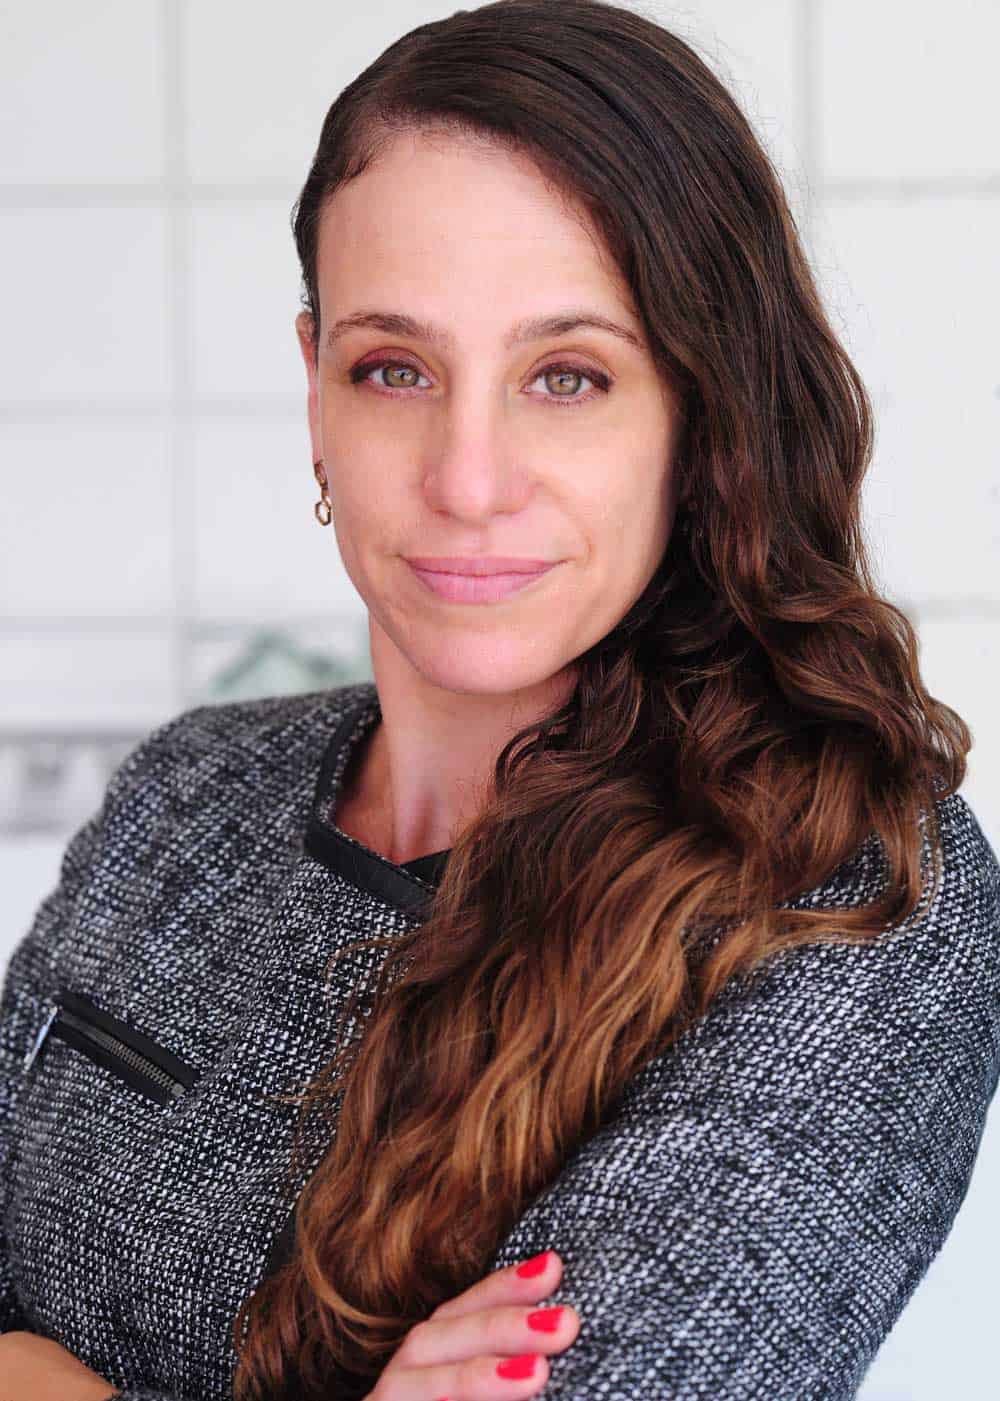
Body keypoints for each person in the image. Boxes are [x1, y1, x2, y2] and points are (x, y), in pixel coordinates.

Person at [2, 1, 998, 1398]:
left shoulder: (848, 889)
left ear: (697, 415)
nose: (468, 477)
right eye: (394, 369)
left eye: (568, 377)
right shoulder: (192, 793)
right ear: (315, 392)